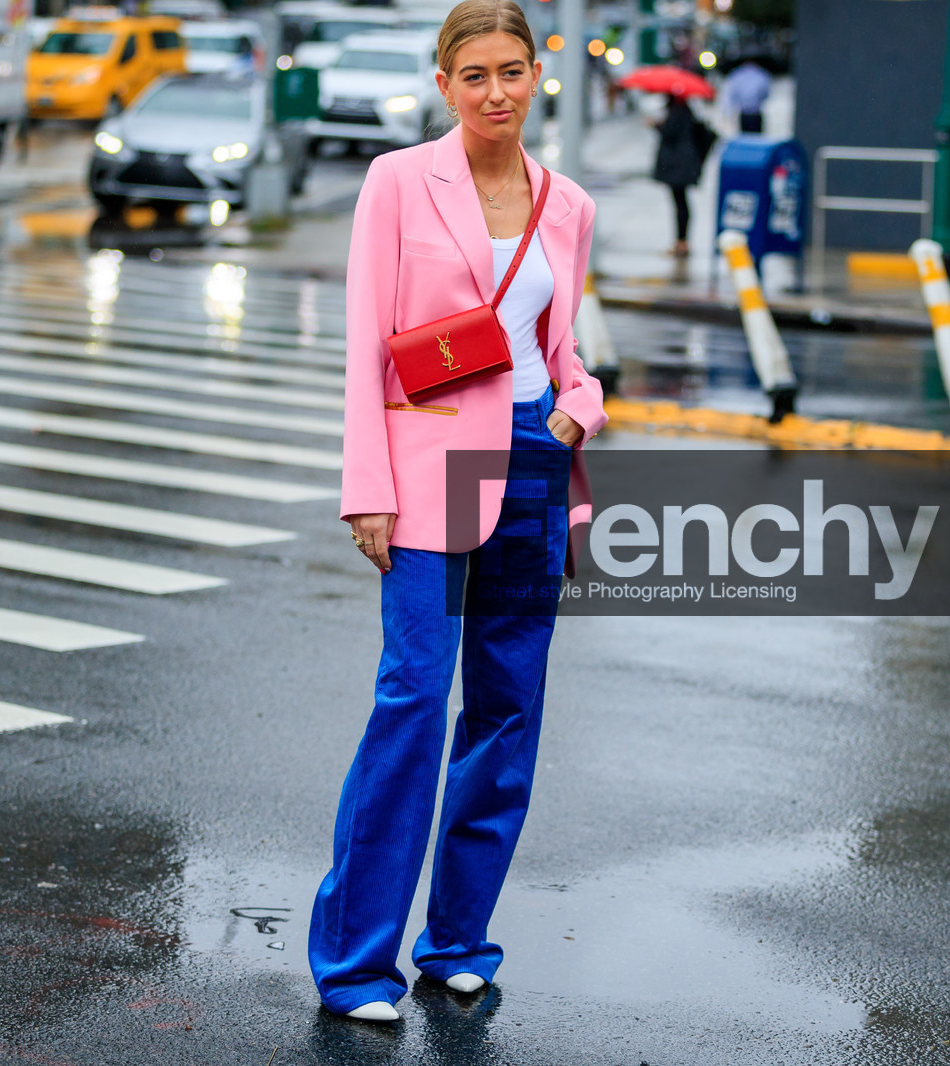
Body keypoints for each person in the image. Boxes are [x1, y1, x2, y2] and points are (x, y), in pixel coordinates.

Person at [307, 0, 606, 1024]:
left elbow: (559, 347)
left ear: (536, 75)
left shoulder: (567, 203)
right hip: (431, 459)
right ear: (444, 84)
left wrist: (577, 408)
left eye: (511, 70)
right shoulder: (398, 181)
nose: (495, 92)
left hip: (532, 453)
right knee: (413, 697)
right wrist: (367, 488)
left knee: (507, 706)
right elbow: (367, 343)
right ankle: (356, 962)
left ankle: (458, 940)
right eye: (474, 74)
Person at [651, 94, 711, 258]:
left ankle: (681, 242)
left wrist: (656, 125)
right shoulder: (686, 111)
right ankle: (681, 241)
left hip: (678, 166)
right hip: (684, 164)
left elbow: (669, 133)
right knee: (681, 202)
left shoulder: (677, 112)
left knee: (680, 203)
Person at [722, 57, 772, 134]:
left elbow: (733, 94)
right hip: (754, 112)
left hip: (746, 113)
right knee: (756, 136)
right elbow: (766, 93)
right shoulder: (761, 74)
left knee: (746, 136)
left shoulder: (737, 75)